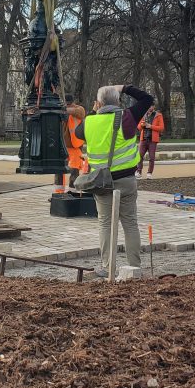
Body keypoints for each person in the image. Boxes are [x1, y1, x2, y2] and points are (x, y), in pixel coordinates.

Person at [75, 84, 154, 278]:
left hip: (102, 183)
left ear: (99, 103)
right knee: (130, 223)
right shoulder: (128, 117)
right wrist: (125, 88)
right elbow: (147, 99)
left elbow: (77, 134)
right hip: (127, 180)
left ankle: (106, 266)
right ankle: (134, 267)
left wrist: (94, 111)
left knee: (105, 225)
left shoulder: (89, 122)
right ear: (118, 101)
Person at [135, 105, 165, 179]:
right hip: (143, 139)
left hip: (152, 140)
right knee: (139, 156)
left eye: (150, 106)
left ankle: (149, 173)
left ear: (153, 107)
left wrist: (150, 126)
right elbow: (138, 127)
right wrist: (142, 125)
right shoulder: (143, 114)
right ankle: (139, 172)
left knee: (151, 157)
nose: (148, 108)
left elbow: (161, 128)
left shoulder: (158, 115)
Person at [65, 94, 87, 187]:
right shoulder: (61, 111)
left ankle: (73, 192)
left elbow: (80, 113)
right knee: (59, 171)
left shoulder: (79, 109)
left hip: (75, 146)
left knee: (74, 170)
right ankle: (58, 192)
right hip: (63, 146)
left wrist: (63, 109)